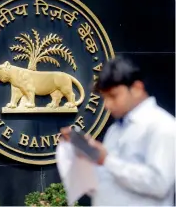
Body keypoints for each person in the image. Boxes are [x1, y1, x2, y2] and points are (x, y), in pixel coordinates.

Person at [60, 57, 175, 206]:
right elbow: (105, 181)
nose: (107, 104)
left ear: (137, 88)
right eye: (104, 97)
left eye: (113, 96)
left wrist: (106, 160)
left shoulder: (162, 126)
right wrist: (86, 154)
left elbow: (159, 184)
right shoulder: (114, 130)